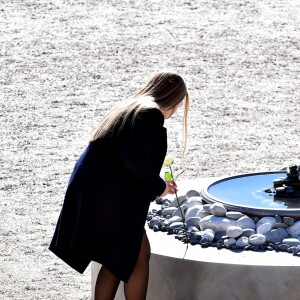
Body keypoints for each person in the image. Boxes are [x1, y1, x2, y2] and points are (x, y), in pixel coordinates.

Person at [49, 70, 189, 300]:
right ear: (175, 99)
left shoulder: (131, 107)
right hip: (108, 197)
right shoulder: (151, 113)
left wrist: (157, 184)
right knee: (135, 253)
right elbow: (133, 159)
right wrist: (159, 187)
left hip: (93, 191)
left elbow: (123, 157)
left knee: (121, 258)